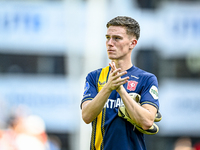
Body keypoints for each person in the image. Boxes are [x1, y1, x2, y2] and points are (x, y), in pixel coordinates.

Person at [81, 16, 160, 150]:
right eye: (107, 37)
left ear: (132, 43)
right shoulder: (94, 77)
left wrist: (121, 92)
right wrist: (108, 88)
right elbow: (86, 116)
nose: (110, 43)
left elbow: (147, 121)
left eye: (117, 38)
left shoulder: (146, 79)